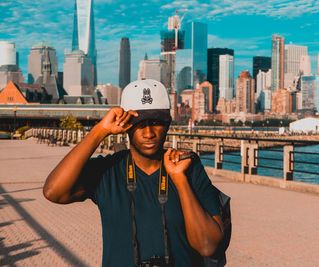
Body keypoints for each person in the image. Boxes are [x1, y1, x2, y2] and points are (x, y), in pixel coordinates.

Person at [43, 79, 224, 266]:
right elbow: (53, 191)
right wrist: (100, 131)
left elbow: (208, 246)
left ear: (167, 124)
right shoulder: (109, 171)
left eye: (156, 122)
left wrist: (180, 180)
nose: (149, 133)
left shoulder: (188, 168)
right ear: (126, 125)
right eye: (139, 123)